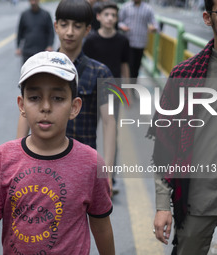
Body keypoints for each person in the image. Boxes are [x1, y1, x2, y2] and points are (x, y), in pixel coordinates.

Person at [0, 51, 115, 255]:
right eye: (34, 97)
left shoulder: (92, 163)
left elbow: (101, 227)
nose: (45, 107)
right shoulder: (1, 159)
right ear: (22, 105)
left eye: (58, 98)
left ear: (74, 107)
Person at [149, 0, 217, 253]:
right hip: (195, 201)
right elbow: (165, 144)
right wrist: (162, 205)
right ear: (207, 18)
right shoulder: (185, 75)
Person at [16, 0, 117, 193]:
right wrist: (18, 158)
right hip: (41, 160)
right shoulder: (39, 67)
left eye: (77, 26)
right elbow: (25, 113)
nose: (69, 32)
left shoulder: (102, 72)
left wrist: (108, 172)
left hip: (81, 165)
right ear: (56, 26)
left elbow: (109, 122)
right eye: (64, 25)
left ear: (87, 30)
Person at [83, 1, 131, 194]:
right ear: (99, 17)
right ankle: (87, 174)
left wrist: (128, 90)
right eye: (107, 14)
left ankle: (111, 176)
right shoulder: (91, 40)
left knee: (112, 133)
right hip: (90, 93)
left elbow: (125, 65)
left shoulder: (122, 41)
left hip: (113, 93)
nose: (110, 18)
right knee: (88, 132)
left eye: (113, 15)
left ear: (117, 18)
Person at [118, 0, 158, 80]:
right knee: (128, 66)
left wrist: (154, 28)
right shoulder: (126, 7)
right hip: (128, 41)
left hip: (140, 42)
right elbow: (119, 21)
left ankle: (132, 87)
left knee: (136, 67)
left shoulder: (148, 9)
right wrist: (122, 27)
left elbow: (155, 23)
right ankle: (127, 87)